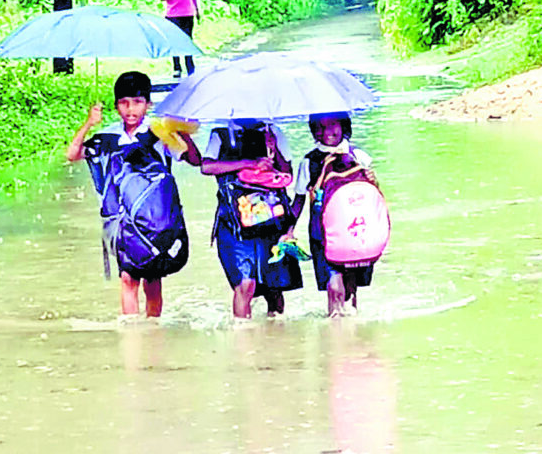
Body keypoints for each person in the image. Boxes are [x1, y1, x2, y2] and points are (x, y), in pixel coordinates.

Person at [66, 70, 200, 317]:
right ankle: (133, 330)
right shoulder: (107, 138)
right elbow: (73, 154)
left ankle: (152, 328)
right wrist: (89, 124)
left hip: (155, 221)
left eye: (137, 102)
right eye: (124, 103)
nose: (130, 110)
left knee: (152, 280)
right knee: (128, 277)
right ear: (116, 106)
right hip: (122, 221)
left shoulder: (159, 134)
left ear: (148, 104)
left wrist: (182, 133)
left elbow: (194, 159)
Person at [201, 119, 303, 319]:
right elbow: (207, 166)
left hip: (271, 221)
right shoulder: (220, 134)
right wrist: (248, 163)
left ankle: (275, 330)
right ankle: (243, 333)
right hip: (234, 223)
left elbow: (286, 172)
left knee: (274, 288)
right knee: (245, 284)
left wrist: (274, 148)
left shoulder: (273, 132)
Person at [287, 113, 375, 317]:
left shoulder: (358, 156)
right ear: (314, 131)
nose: (328, 131)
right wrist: (289, 230)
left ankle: (350, 323)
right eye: (321, 126)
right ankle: (335, 322)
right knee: (333, 283)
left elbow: (372, 196)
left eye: (333, 124)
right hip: (323, 232)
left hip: (354, 229)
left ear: (344, 126)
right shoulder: (309, 162)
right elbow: (299, 200)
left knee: (350, 284)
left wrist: (373, 181)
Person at [156, 0, 198, 80]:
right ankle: (177, 67)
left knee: (188, 40)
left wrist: (197, 9)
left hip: (188, 13)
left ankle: (190, 67)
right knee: (174, 41)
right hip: (173, 14)